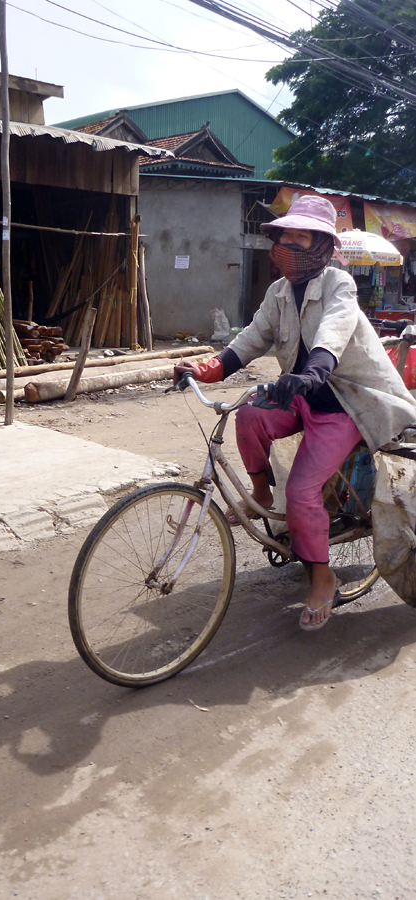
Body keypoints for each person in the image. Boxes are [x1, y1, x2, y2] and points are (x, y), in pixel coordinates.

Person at [174, 195, 416, 632]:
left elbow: (334, 331)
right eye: (284, 236)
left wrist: (312, 373)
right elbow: (250, 340)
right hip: (302, 395)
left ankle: (323, 577)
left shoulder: (339, 284)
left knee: (304, 491)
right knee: (248, 415)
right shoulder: (279, 292)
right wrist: (205, 368)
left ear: (322, 246)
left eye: (299, 237)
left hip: (345, 403)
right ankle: (263, 494)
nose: (287, 244)